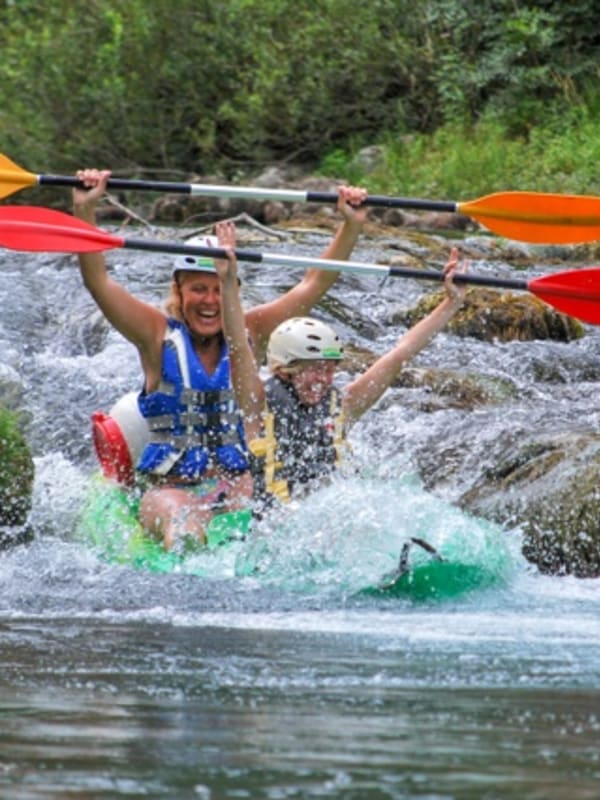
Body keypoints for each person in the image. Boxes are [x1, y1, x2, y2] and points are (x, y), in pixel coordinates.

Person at [72, 170, 368, 549]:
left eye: (217, 289)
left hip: (240, 484)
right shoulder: (154, 334)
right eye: (198, 289)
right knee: (184, 529)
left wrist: (350, 226)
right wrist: (86, 209)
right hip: (172, 491)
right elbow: (99, 282)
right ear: (178, 290)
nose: (210, 301)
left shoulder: (251, 332)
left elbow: (314, 284)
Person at [214, 220, 468, 506]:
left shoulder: (342, 407)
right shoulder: (256, 404)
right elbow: (236, 344)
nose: (324, 379)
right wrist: (228, 282)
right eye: (313, 369)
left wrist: (450, 304)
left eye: (329, 369)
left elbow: (399, 355)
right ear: (285, 370)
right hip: (269, 528)